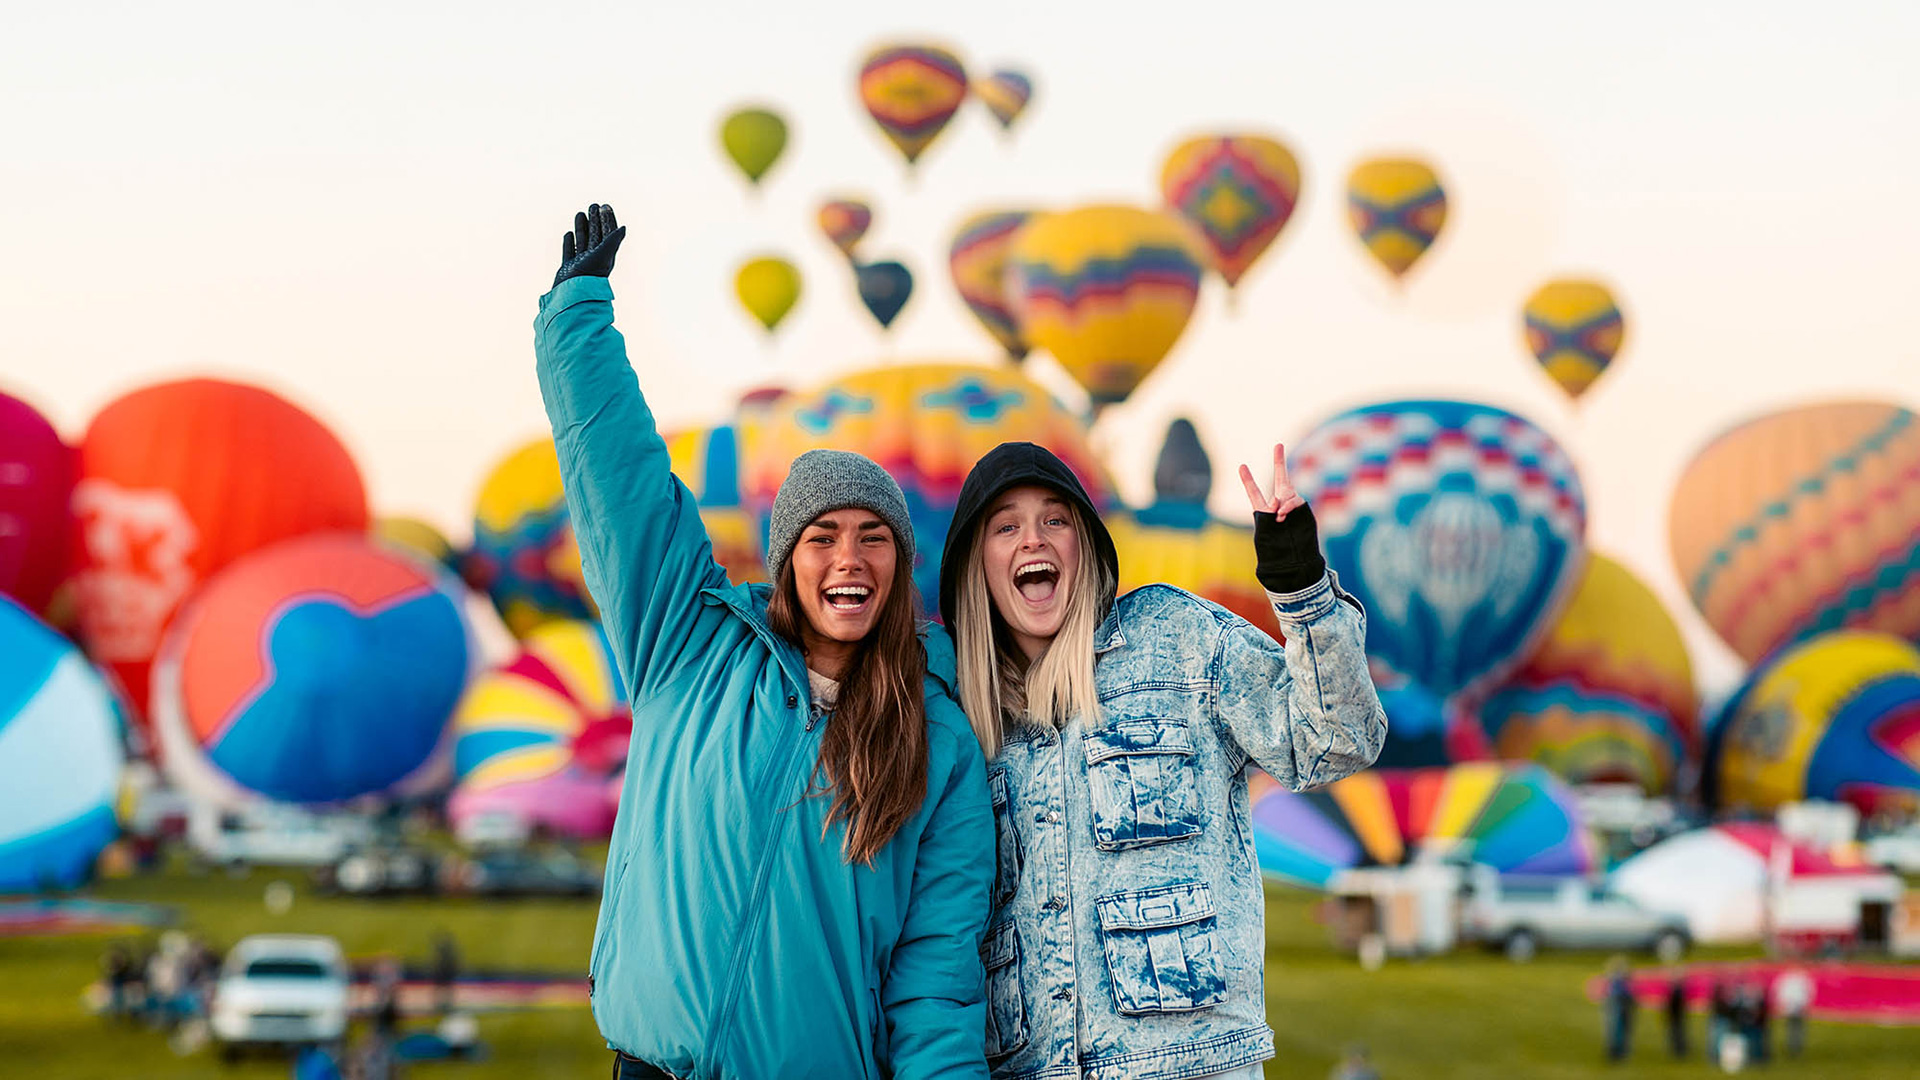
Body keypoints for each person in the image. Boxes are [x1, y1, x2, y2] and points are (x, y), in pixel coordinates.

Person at [534, 204, 994, 1079]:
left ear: (901, 564)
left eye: (874, 537)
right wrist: (575, 323)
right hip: (650, 1065)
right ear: (786, 561)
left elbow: (936, 979)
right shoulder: (691, 648)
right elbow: (622, 487)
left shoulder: (942, 748)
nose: (848, 559)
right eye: (822, 538)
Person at [936, 441, 1388, 1078]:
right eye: (1005, 526)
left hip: (1190, 1065)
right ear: (975, 566)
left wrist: (1303, 589)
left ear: (1086, 546)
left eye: (1055, 520)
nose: (1032, 540)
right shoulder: (960, 717)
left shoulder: (1175, 640)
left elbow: (1335, 740)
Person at [1774, 965, 1813, 1058]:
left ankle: (1796, 1045)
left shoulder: (1801, 979)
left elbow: (1808, 992)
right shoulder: (1788, 979)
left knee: (1797, 1027)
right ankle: (1793, 1045)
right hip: (1791, 1007)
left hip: (1799, 1007)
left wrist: (1805, 1004)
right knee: (1792, 1027)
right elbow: (1780, 992)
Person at [1602, 957, 1636, 1063]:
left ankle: (1618, 1050)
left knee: (1621, 1028)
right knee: (1618, 1028)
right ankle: (1617, 1051)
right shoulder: (1618, 982)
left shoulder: (1621, 981)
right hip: (1619, 1004)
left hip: (1622, 1005)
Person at [1664, 967, 1689, 1058]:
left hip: (1676, 1015)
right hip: (1677, 1015)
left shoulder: (1677, 990)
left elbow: (1672, 1003)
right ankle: (1679, 1049)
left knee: (1677, 1032)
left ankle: (1679, 1050)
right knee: (1678, 1032)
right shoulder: (1678, 990)